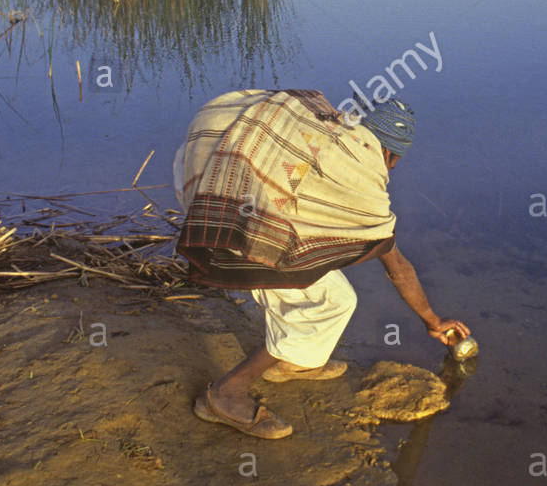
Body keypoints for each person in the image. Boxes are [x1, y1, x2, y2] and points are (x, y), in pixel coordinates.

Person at [172, 88, 469, 439]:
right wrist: (432, 320)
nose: (390, 168)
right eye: (394, 161)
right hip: (241, 228)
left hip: (203, 183)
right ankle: (225, 394)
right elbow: (398, 267)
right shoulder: (361, 175)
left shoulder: (326, 128)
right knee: (326, 305)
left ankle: (294, 362)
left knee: (327, 292)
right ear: (389, 153)